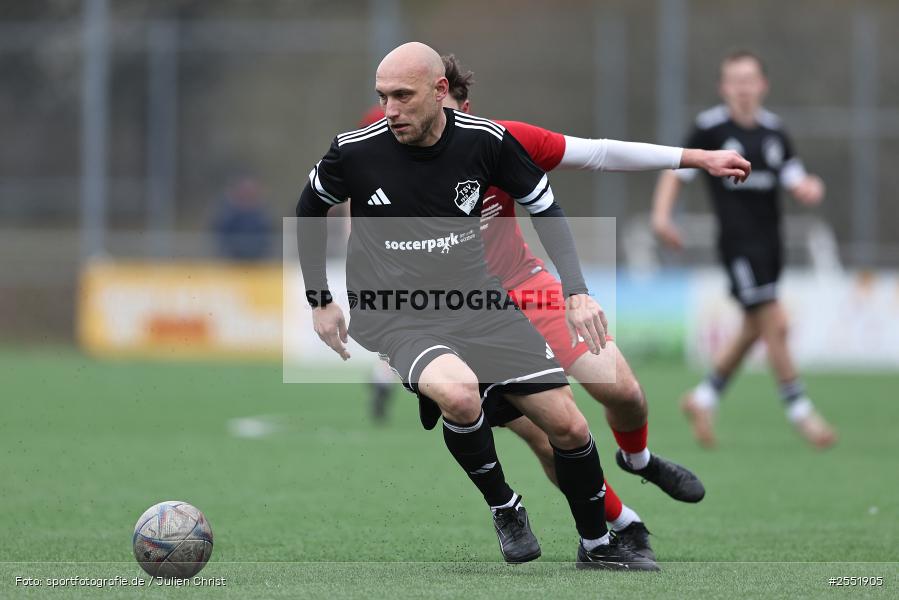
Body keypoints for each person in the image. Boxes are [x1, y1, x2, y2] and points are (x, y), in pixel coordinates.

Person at [296, 42, 655, 570]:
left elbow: (546, 206)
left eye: (403, 96)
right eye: (382, 97)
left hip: (480, 303)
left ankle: (597, 546)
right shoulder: (355, 151)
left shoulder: (486, 142)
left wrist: (577, 291)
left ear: (441, 91)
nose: (390, 110)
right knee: (461, 397)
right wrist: (319, 299)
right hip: (397, 312)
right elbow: (309, 209)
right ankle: (505, 506)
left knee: (571, 428)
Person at [425, 54, 753, 558]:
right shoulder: (393, 161)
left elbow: (598, 153)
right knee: (551, 430)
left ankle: (637, 459)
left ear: (461, 107)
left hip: (525, 285)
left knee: (622, 389)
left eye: (443, 115)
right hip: (462, 316)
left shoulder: (499, 141)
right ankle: (618, 524)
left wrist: (697, 158)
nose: (432, 131)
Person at [651, 50, 837, 449]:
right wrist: (662, 217)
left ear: (762, 85)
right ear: (723, 88)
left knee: (756, 327)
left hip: (772, 244)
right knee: (776, 323)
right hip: (738, 244)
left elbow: (795, 177)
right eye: (734, 81)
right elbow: (677, 171)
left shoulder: (774, 132)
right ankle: (800, 411)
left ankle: (703, 398)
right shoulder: (709, 128)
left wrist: (810, 187)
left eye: (749, 79)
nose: (742, 88)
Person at [211, 175, 273, 261]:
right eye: (244, 191)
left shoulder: (264, 216)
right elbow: (219, 237)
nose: (247, 194)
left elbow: (269, 240)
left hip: (258, 264)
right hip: (231, 262)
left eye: (250, 192)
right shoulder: (227, 214)